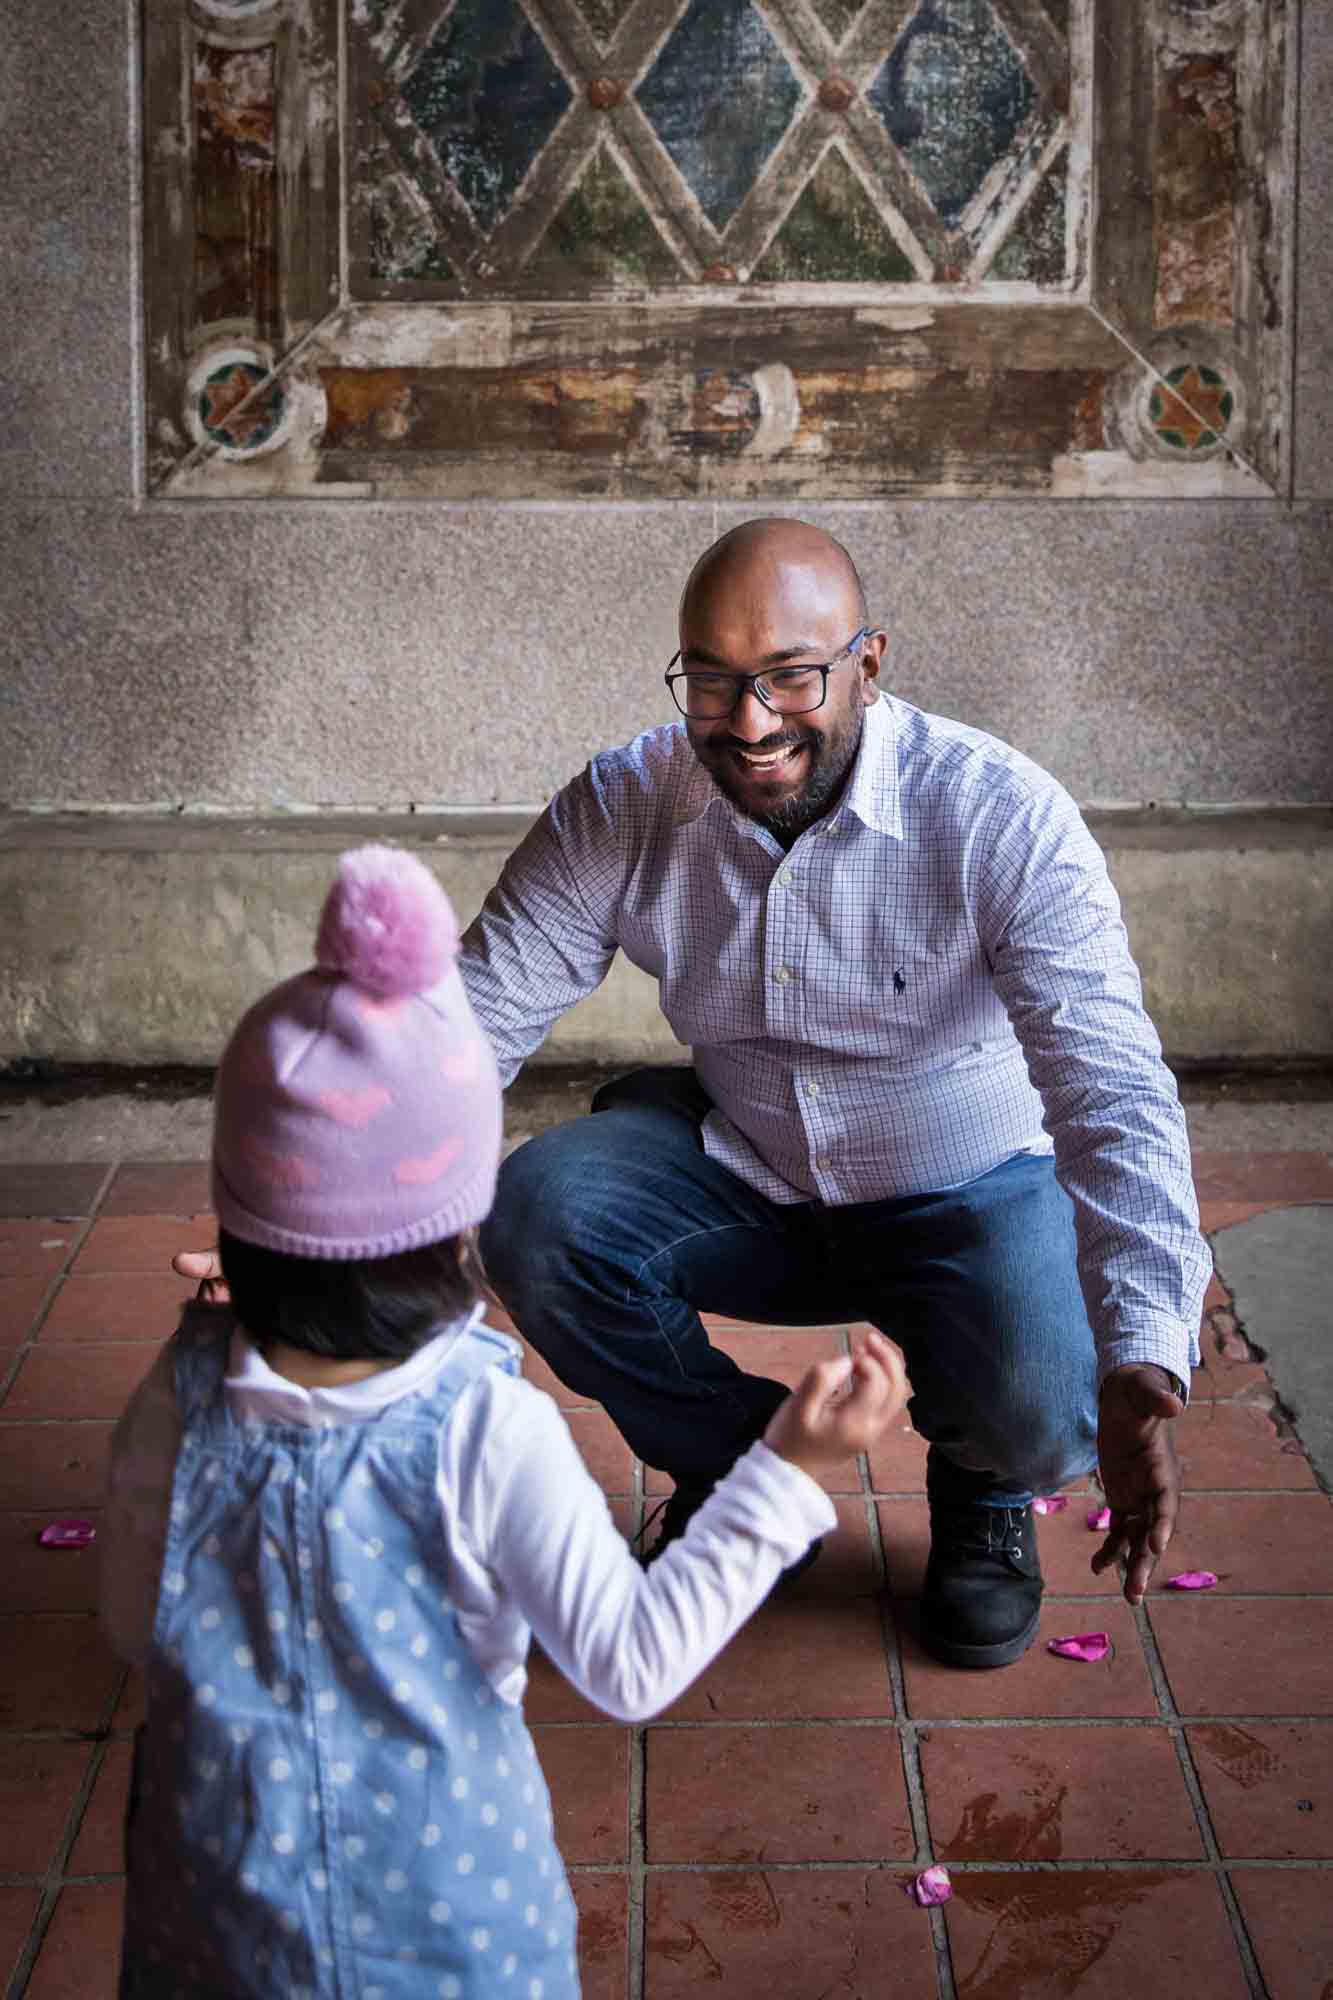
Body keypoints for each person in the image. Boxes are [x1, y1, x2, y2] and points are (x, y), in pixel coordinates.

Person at [176, 514, 1209, 1672]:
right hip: (746, 1162)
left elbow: (1111, 1085)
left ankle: (979, 1491)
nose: (750, 721)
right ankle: (737, 1471)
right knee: (539, 1217)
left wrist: (1142, 1352)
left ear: (869, 663)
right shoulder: (627, 801)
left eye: (790, 677)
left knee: (1048, 1390)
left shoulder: (998, 817)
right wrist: (314, 1223)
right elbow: (464, 1024)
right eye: (713, 682)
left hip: (971, 1186)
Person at [108, 843, 908, 2000]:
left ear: (244, 1213)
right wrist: (788, 1463)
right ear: (452, 1217)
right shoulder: (483, 1426)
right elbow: (631, 1663)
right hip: (446, 1935)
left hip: (220, 1919)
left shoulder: (178, 1391)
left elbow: (136, 1617)